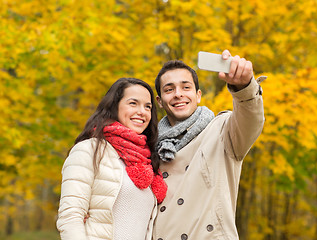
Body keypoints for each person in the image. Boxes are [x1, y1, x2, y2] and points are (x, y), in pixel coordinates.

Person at [152, 50, 266, 240]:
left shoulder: (222, 131)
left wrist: (244, 87)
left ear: (198, 95)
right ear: (160, 101)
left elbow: (251, 120)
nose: (178, 94)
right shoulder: (151, 148)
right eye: (169, 89)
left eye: (185, 87)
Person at [56, 78, 167, 240]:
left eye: (147, 106)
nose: (142, 111)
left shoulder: (148, 162)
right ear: (114, 106)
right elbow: (70, 218)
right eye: (133, 103)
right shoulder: (90, 150)